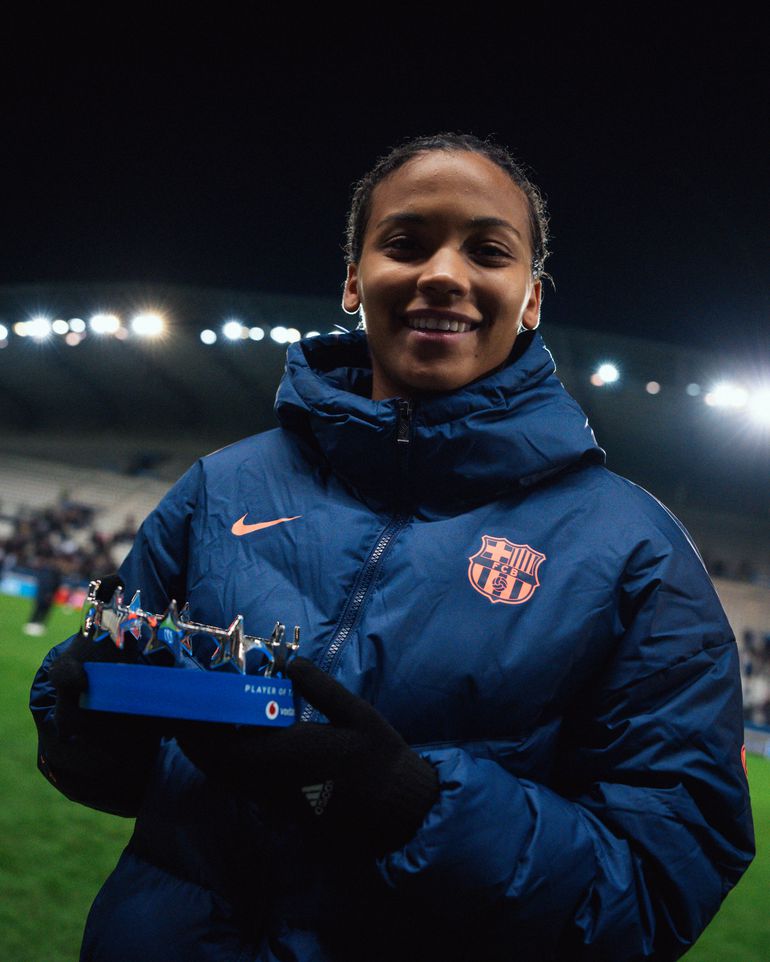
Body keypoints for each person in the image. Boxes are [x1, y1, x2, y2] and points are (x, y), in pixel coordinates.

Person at [30, 133, 754, 962]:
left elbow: (663, 885)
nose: (443, 273)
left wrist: (415, 809)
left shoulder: (635, 551)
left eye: (488, 250)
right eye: (406, 244)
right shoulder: (218, 488)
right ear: (353, 280)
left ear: (531, 299)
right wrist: (86, 724)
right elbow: (114, 765)